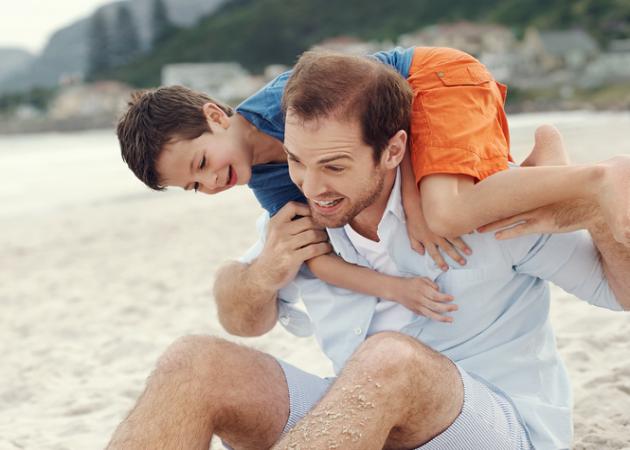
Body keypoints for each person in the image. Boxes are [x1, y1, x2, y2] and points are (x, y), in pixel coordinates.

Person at [107, 50, 630, 450]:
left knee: (390, 361)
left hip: (497, 428)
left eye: (334, 165)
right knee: (194, 362)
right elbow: (238, 315)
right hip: (361, 427)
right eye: (295, 162)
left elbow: (618, 291)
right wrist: (265, 271)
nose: (313, 186)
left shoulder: (481, 204)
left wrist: (592, 214)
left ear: (394, 150)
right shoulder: (301, 207)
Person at [116, 46, 629, 322]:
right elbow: (317, 256)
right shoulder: (272, 183)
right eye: (193, 186)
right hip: (413, 114)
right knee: (463, 209)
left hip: (433, 82)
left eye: (202, 162)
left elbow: (388, 100)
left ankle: (602, 174)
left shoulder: (288, 102)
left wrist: (412, 194)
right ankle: (546, 165)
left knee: (445, 214)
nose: (210, 182)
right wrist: (393, 288)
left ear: (215, 115)